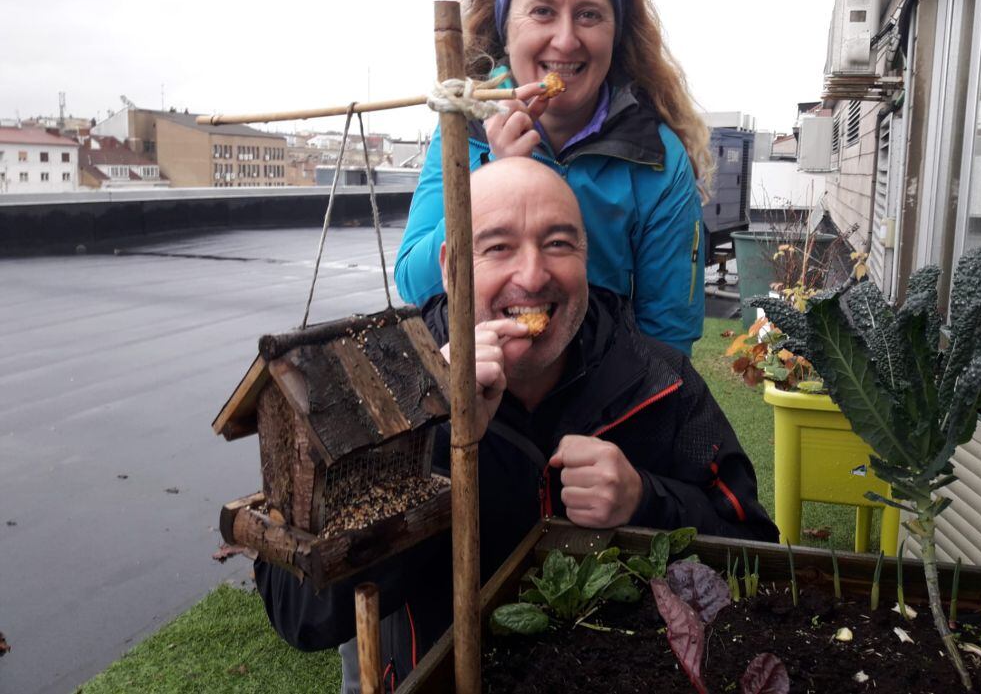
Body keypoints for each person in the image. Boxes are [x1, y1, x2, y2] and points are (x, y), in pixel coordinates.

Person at [256, 159, 776, 692]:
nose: (532, 276)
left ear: (586, 257)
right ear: (451, 265)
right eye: (498, 246)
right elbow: (301, 613)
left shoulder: (660, 384)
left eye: (558, 244)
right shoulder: (378, 381)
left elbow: (757, 551)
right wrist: (435, 440)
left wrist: (644, 501)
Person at [394, 0, 713, 355]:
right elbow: (415, 282)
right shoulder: (463, 128)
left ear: (615, 33)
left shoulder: (656, 158)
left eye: (589, 15)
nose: (565, 40)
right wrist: (495, 177)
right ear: (506, 27)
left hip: (606, 396)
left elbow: (669, 333)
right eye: (542, 11)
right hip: (483, 379)